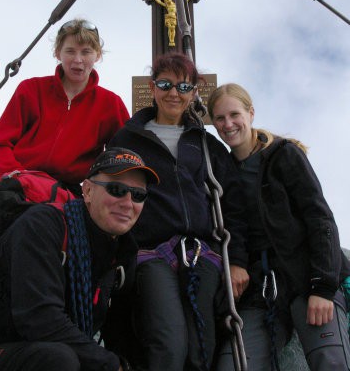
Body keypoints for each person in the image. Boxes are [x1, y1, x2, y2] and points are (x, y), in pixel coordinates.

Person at [0, 147, 159, 371]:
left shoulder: (122, 255)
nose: (127, 202)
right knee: (58, 360)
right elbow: (38, 318)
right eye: (116, 189)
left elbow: (120, 329)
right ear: (88, 191)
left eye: (138, 195)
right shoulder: (43, 226)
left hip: (57, 351)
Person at [107, 54, 248, 371]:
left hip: (202, 253)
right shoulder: (128, 139)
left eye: (184, 86)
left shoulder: (207, 145)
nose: (174, 93)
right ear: (152, 88)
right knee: (168, 343)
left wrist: (237, 260)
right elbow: (111, 197)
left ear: (194, 91)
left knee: (202, 349)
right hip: (150, 253)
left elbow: (233, 205)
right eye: (165, 84)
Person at [208, 83, 350, 371]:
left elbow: (320, 218)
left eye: (235, 114)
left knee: (330, 361)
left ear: (251, 113)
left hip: (306, 277)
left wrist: (322, 288)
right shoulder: (222, 170)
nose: (228, 124)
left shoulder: (283, 155)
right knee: (235, 365)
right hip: (260, 289)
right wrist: (235, 262)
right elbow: (230, 226)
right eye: (219, 118)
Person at [0, 18, 129, 186]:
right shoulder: (31, 90)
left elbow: (126, 156)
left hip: (69, 193)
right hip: (20, 185)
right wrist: (14, 177)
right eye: (70, 51)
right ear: (57, 52)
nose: (78, 59)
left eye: (86, 52)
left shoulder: (109, 104)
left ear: (97, 55)